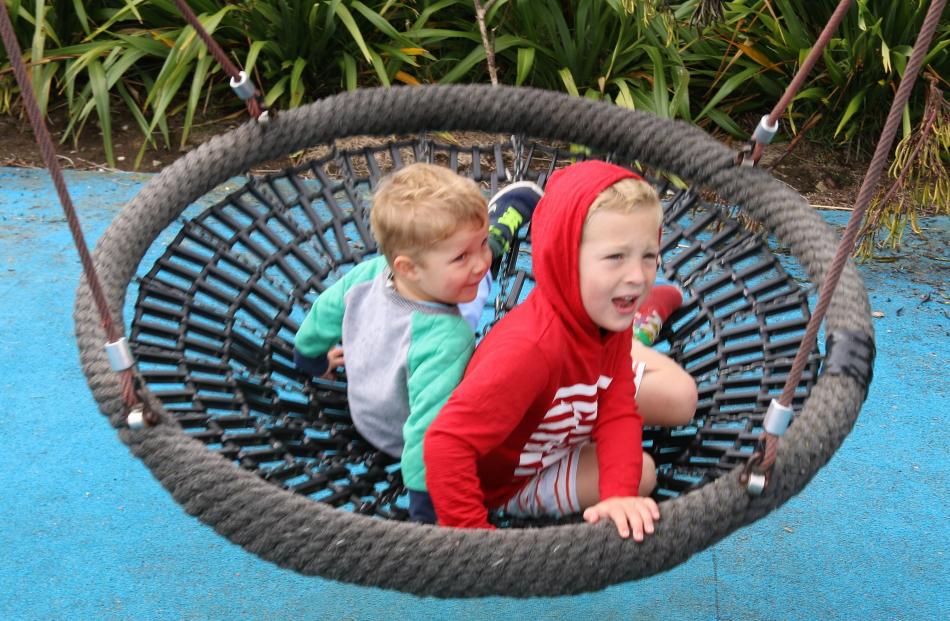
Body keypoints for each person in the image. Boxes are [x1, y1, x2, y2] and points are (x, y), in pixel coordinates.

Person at [424, 159, 671, 539]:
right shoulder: (529, 351)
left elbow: (617, 409)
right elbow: (446, 444)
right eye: (615, 258)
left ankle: (644, 327)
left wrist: (617, 495)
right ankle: (645, 328)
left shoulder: (606, 317)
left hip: (557, 430)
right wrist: (471, 535)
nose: (638, 277)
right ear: (564, 258)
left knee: (678, 404)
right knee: (646, 471)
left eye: (649, 256)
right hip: (506, 486)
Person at [293, 162, 541, 523]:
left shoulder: (368, 274)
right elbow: (429, 428)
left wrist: (311, 358)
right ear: (408, 267)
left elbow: (322, 315)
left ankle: (478, 237)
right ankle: (498, 229)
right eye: (463, 255)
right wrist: (428, 507)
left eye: (482, 245)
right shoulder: (447, 337)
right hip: (402, 436)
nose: (478, 260)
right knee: (478, 295)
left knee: (468, 278)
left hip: (367, 413)